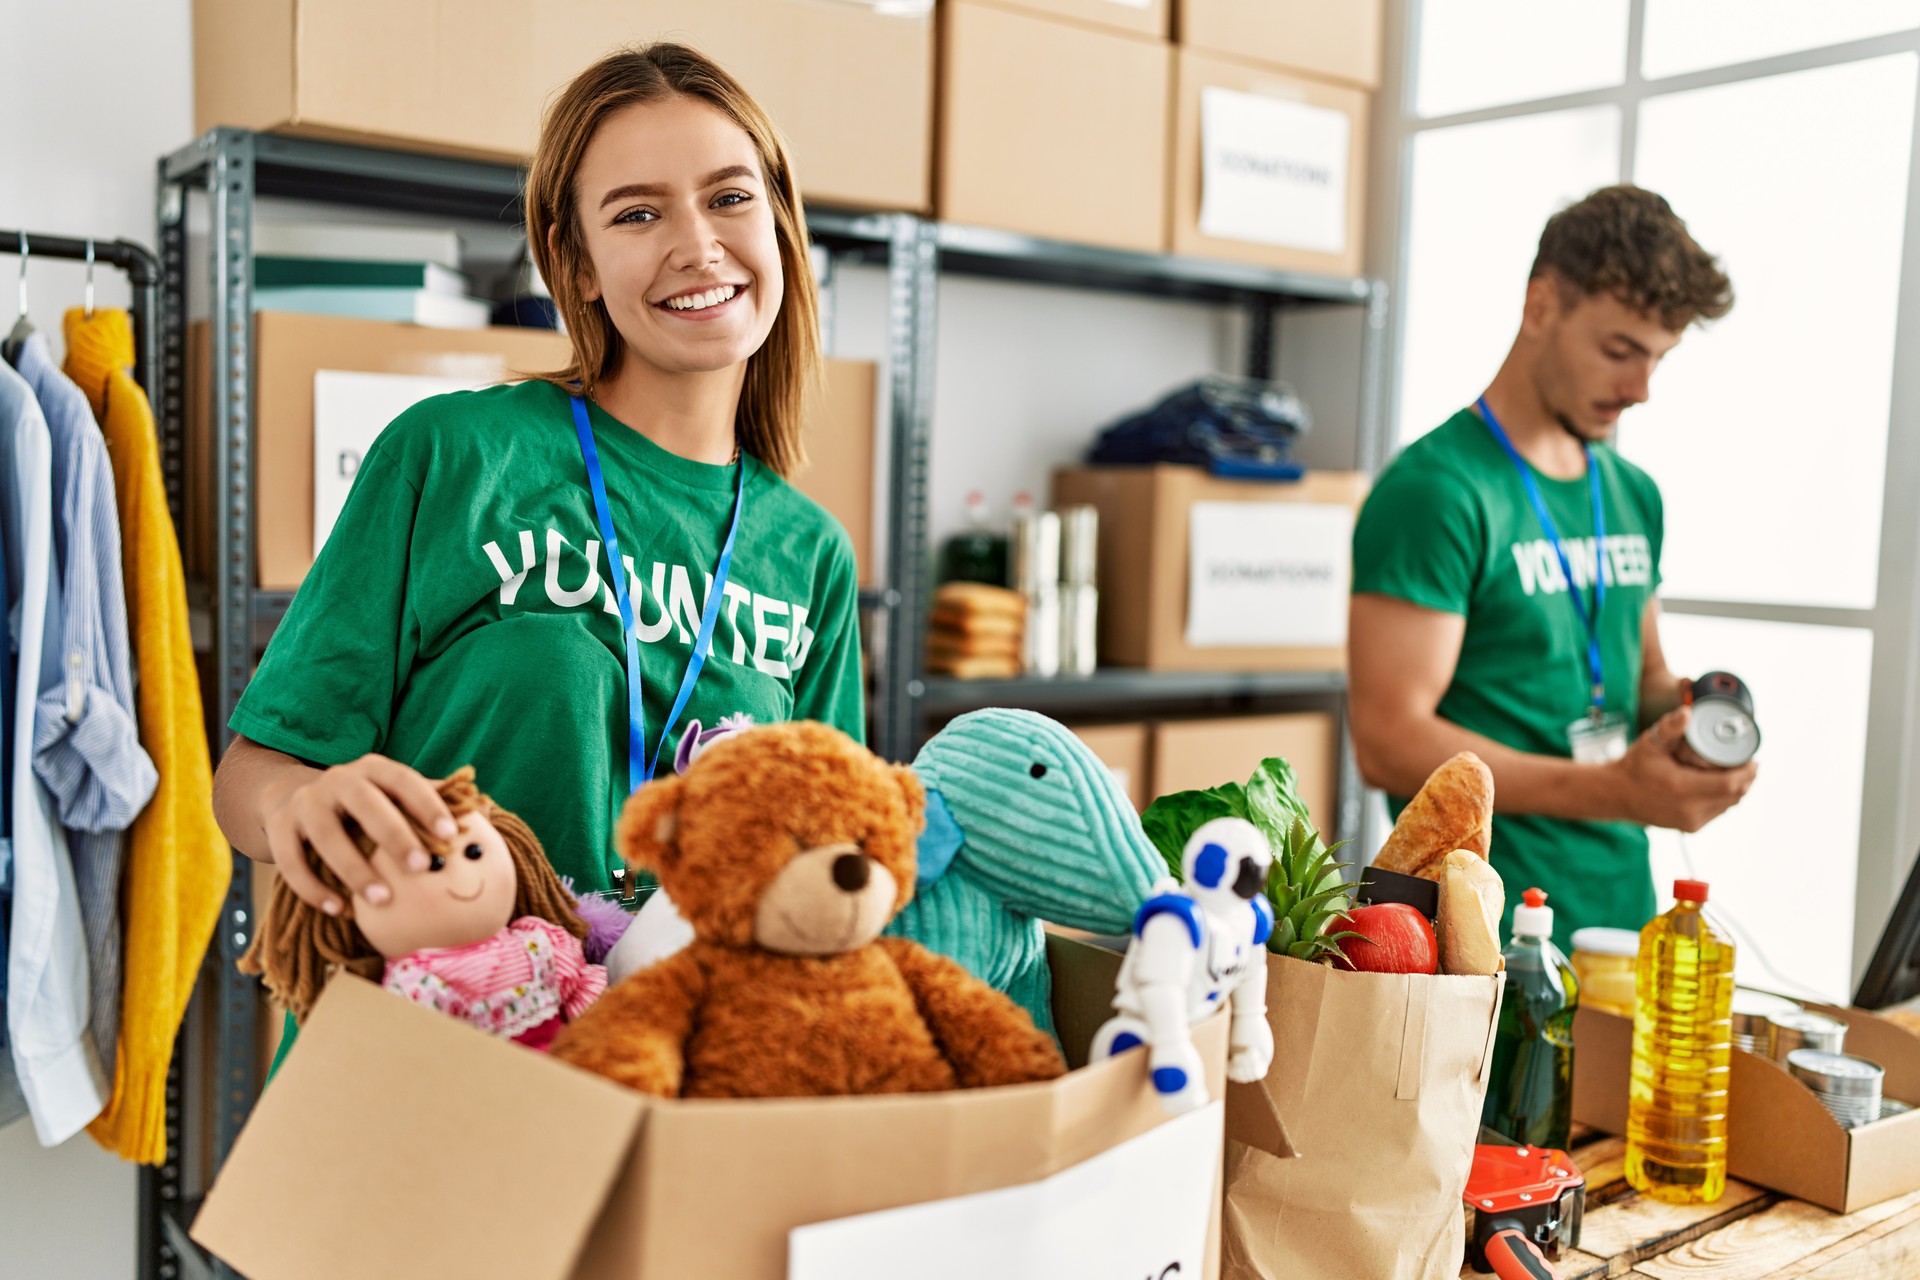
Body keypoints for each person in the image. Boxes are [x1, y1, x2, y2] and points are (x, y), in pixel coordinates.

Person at [211, 44, 864, 958]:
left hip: (667, 1065)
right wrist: (301, 805)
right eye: (638, 213)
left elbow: (832, 861)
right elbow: (253, 774)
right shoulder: (453, 455)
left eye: (729, 197)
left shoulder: (811, 552)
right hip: (435, 1045)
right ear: (578, 262)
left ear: (781, 224)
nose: (697, 245)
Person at [1348, 184, 1757, 951]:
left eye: (1657, 359)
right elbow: (1387, 739)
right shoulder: (1436, 491)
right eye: (1619, 351)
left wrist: (1695, 724)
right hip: (1478, 933)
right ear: (1541, 307)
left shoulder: (1631, 492)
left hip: (1623, 919)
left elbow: (1640, 679)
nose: (1639, 390)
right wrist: (1617, 788)